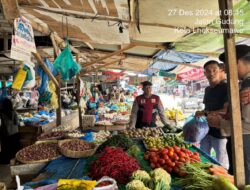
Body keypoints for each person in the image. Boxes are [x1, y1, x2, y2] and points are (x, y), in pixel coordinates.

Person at [207, 44, 250, 183]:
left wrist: (221, 123)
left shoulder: (248, 85)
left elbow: (247, 125)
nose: (224, 69)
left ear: (235, 62)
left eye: (226, 65)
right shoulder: (244, 83)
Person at [196, 60, 229, 169]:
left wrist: (206, 113)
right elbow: (207, 108)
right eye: (208, 71)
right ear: (204, 74)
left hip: (220, 132)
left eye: (214, 70)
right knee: (203, 159)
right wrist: (201, 114)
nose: (211, 73)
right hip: (206, 131)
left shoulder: (226, 87)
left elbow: (226, 110)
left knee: (220, 164)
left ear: (220, 71)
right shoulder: (207, 90)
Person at [0, 98, 20, 164]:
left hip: (5, 134)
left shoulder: (1, 113)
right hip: (15, 133)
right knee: (14, 149)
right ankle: (15, 161)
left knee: (6, 149)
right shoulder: (13, 112)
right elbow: (17, 123)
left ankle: (6, 161)